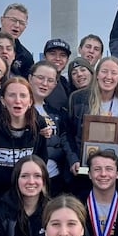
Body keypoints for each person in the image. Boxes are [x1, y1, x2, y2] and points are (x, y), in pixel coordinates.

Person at [0, 77, 48, 213]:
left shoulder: (38, 128)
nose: (18, 100)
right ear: (3, 100)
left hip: (25, 202)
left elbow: (41, 163)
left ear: (30, 101)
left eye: (23, 95)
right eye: (12, 95)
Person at [29, 60, 74, 194]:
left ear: (55, 84)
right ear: (30, 78)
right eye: (40, 78)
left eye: (50, 80)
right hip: (27, 179)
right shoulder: (18, 109)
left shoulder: (56, 113)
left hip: (53, 180)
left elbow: (64, 140)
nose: (44, 83)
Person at [0, 3, 33, 76]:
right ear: (2, 20)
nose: (17, 25)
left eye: (22, 23)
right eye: (13, 20)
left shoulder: (26, 58)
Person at [43, 38, 73, 111]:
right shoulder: (35, 81)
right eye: (53, 54)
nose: (57, 58)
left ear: (67, 60)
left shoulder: (64, 82)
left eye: (63, 55)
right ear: (44, 57)